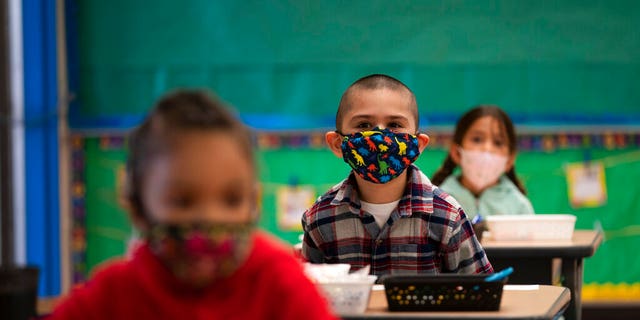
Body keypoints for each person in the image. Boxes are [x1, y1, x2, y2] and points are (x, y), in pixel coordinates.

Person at [49, 90, 337, 320]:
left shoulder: (278, 282)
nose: (210, 217)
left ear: (254, 203)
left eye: (231, 199)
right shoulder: (113, 295)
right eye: (182, 201)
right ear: (138, 209)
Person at [301, 74, 493, 276]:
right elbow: (304, 297)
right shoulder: (319, 218)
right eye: (364, 125)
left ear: (417, 146)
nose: (381, 136)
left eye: (394, 124)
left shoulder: (447, 215)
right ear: (337, 143)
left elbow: (483, 288)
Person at [431, 105, 534, 222]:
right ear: (456, 153)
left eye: (498, 143)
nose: (487, 148)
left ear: (510, 160)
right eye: (477, 139)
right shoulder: (437, 202)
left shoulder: (519, 208)